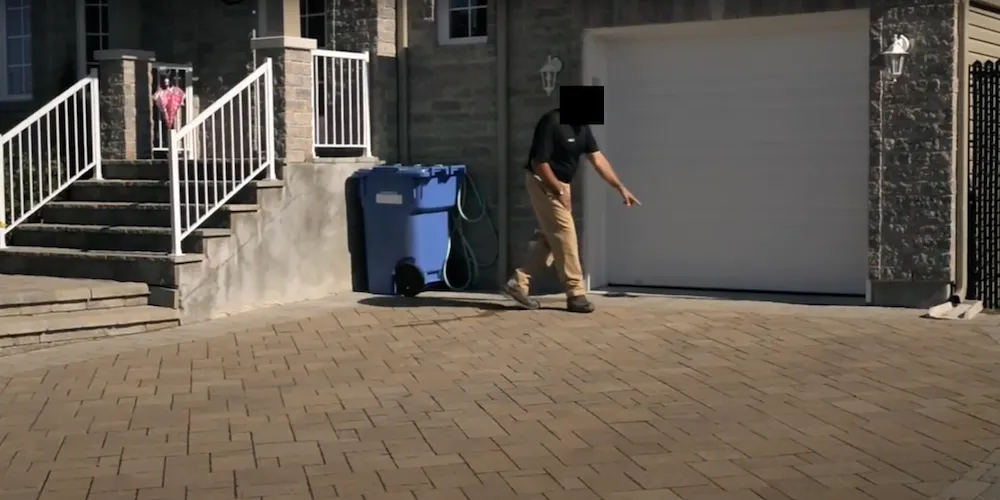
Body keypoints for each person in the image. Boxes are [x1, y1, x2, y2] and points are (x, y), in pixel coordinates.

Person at [501, 108, 640, 313]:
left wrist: (620, 187)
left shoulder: (582, 127)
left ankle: (518, 283)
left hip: (561, 185)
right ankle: (575, 294)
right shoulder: (551, 122)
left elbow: (598, 159)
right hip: (543, 183)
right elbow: (538, 163)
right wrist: (558, 188)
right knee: (565, 235)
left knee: (552, 238)